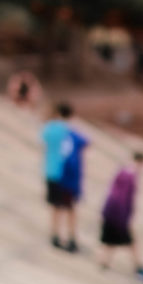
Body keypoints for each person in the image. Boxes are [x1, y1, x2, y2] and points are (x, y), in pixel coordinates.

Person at [99, 151, 143, 282]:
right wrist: (123, 218)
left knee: (111, 241)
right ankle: (139, 268)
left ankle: (104, 262)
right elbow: (122, 198)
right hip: (118, 215)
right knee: (131, 242)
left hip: (111, 212)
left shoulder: (124, 171)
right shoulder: (129, 176)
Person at [41, 101, 88, 252]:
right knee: (70, 208)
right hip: (65, 175)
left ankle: (54, 234)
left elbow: (44, 140)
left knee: (55, 206)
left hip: (50, 171)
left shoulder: (49, 129)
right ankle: (72, 237)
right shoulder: (70, 132)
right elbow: (86, 142)